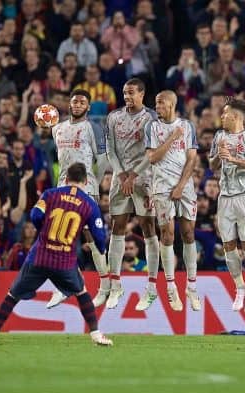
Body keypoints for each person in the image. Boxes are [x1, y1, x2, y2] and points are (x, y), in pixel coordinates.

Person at [0, 163, 112, 346]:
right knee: (82, 293)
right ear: (86, 181)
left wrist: (44, 230)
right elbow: (99, 236)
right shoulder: (89, 204)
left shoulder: (50, 194)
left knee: (12, 295)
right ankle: (96, 334)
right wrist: (102, 249)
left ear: (65, 178)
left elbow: (34, 214)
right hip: (65, 260)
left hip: (40, 256)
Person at [96, 78, 159, 310]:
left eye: (131, 93)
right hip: (120, 178)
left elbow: (151, 153)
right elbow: (110, 149)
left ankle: (151, 287)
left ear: (142, 94)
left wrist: (134, 175)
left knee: (149, 228)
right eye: (124, 93)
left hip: (143, 177)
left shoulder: (151, 118)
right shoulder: (114, 117)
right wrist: (121, 174)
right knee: (117, 227)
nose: (127, 97)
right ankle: (115, 285)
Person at [46, 88, 109, 308]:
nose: (78, 105)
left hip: (86, 188)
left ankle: (104, 286)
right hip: (63, 187)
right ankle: (64, 286)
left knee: (91, 237)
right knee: (61, 237)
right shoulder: (58, 128)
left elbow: (102, 160)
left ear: (88, 107)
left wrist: (94, 183)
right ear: (69, 104)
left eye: (82, 102)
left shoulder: (93, 127)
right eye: (75, 102)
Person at [145, 90, 200, 312]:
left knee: (188, 233)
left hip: (184, 187)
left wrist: (180, 186)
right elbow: (152, 157)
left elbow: (192, 159)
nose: (157, 107)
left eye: (161, 103)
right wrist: (172, 138)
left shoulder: (187, 126)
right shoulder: (152, 127)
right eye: (156, 103)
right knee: (167, 235)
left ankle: (192, 287)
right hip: (161, 187)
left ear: (172, 104)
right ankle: (170, 287)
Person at [209, 98, 245, 313]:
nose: (221, 117)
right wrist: (218, 158)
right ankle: (239, 288)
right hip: (225, 196)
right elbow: (212, 165)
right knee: (228, 246)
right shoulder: (219, 136)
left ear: (236, 116)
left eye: (225, 113)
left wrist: (233, 159)